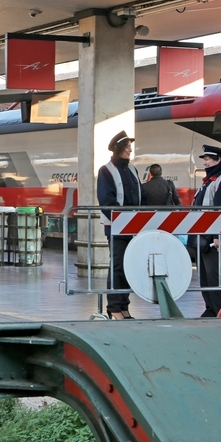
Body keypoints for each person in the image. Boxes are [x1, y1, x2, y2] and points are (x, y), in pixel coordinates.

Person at [97, 130, 147, 320]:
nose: (130, 150)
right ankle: (114, 307)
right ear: (117, 149)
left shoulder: (132, 169)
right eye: (126, 147)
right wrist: (125, 219)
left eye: (130, 147)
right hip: (116, 227)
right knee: (117, 266)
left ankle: (124, 306)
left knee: (129, 266)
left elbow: (141, 194)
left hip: (133, 226)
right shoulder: (106, 171)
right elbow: (106, 200)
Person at [190, 145, 221, 317]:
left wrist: (220, 237)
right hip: (204, 238)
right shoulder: (209, 181)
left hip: (214, 239)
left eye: (208, 159)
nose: (205, 162)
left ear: (219, 160)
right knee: (205, 277)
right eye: (204, 159)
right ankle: (211, 309)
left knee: (215, 277)